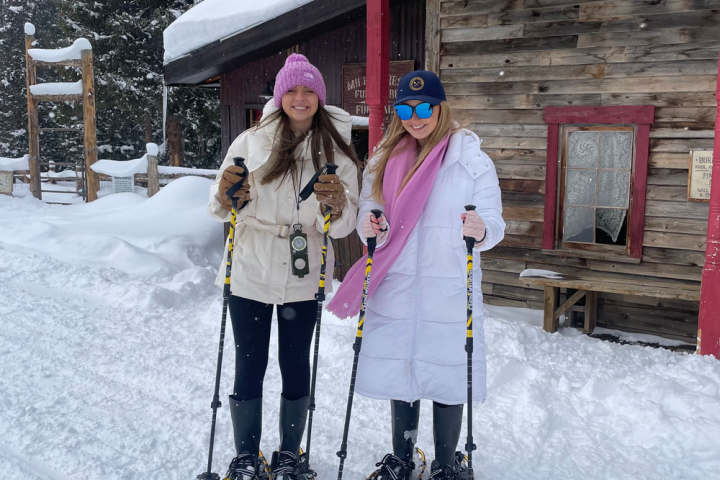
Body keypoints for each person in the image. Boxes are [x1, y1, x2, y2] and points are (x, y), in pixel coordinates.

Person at [327, 70, 505, 480]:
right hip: (399, 282)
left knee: (446, 375)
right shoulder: (384, 159)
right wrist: (373, 224)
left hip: (447, 285)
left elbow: (494, 222)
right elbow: (372, 211)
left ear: (440, 107)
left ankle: (446, 464)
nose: (415, 116)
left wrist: (481, 231)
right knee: (402, 371)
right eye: (405, 108)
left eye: (423, 107)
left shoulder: (471, 160)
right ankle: (403, 458)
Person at [207, 54, 361, 480]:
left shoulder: (336, 150)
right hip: (249, 268)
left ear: (319, 96)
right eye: (291, 90)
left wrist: (338, 204)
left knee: (295, 363)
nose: (299, 97)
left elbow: (346, 225)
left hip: (303, 270)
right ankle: (246, 457)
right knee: (249, 363)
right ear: (279, 96)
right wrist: (226, 195)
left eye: (308, 89)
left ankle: (289, 455)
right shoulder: (250, 141)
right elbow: (217, 207)